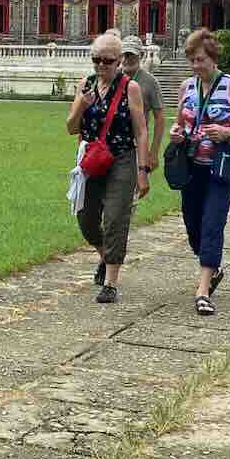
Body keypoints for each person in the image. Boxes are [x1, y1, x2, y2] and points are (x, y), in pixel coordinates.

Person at [170, 29, 230, 315]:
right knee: (193, 224)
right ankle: (213, 266)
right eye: (192, 61)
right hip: (192, 165)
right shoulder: (187, 87)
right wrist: (176, 134)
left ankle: (203, 289)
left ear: (213, 58)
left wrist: (227, 131)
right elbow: (180, 122)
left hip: (221, 166)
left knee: (212, 223)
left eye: (201, 60)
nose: (196, 66)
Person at [67, 32, 150, 303]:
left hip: (122, 159)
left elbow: (141, 131)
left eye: (107, 60)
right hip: (91, 159)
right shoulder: (86, 85)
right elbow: (70, 127)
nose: (101, 65)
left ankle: (111, 282)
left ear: (119, 61)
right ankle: (105, 256)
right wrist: (82, 104)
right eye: (96, 60)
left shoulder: (130, 89)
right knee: (87, 219)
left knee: (116, 218)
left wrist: (142, 170)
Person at [121, 35, 164, 176]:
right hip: (112, 142)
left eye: (131, 55)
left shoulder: (150, 82)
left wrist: (154, 152)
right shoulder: (113, 77)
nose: (127, 59)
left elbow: (159, 118)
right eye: (125, 54)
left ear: (141, 55)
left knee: (133, 190)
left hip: (137, 143)